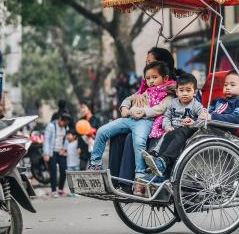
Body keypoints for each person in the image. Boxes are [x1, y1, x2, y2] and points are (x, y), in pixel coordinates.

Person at [88, 61, 176, 195]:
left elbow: (161, 109)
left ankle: (140, 177)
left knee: (138, 141)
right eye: (148, 78)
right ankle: (95, 165)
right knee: (102, 131)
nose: (151, 81)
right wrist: (127, 108)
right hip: (130, 118)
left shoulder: (169, 94)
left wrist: (143, 111)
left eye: (154, 77)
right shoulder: (145, 92)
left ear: (165, 78)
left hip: (146, 121)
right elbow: (130, 100)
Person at [141, 73, 204, 178]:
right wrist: (167, 126)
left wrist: (193, 123)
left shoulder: (196, 105)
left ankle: (163, 160)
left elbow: (202, 119)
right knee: (167, 135)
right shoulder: (172, 103)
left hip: (188, 131)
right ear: (176, 92)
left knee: (180, 132)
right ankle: (158, 160)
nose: (184, 93)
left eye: (188, 90)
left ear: (195, 92)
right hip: (173, 129)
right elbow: (166, 117)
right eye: (181, 90)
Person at [43, 112, 71, 197]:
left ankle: (60, 189)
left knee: (64, 169)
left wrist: (64, 148)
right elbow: (46, 140)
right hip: (52, 152)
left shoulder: (65, 127)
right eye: (63, 123)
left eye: (66, 123)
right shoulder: (51, 126)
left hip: (60, 151)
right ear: (59, 119)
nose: (64, 125)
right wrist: (46, 153)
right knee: (53, 171)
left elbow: (66, 139)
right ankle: (54, 191)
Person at [77, 101, 101, 170]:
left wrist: (93, 134)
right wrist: (78, 147)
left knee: (93, 169)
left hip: (93, 148)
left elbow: (99, 133)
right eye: (81, 108)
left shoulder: (96, 120)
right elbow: (79, 135)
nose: (81, 110)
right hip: (83, 148)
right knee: (81, 168)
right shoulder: (81, 120)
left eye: (83, 107)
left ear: (89, 109)